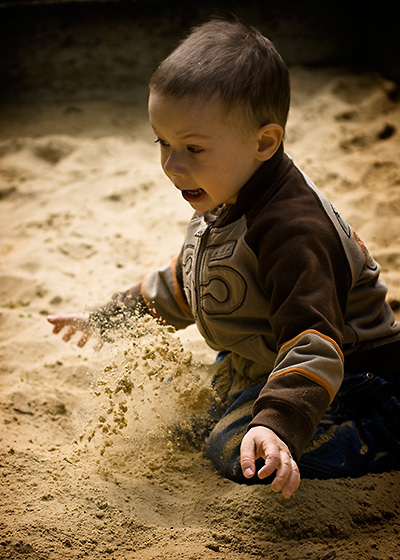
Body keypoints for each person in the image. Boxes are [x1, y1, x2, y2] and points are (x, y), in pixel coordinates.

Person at [48, 17, 400, 499]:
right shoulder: (222, 190)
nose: (173, 165)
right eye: (163, 143)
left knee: (237, 450)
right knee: (195, 421)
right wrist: (109, 316)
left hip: (347, 375)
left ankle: (385, 432)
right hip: (260, 359)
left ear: (263, 142)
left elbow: (313, 340)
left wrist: (277, 425)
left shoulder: (293, 231)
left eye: (193, 147)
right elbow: (190, 281)